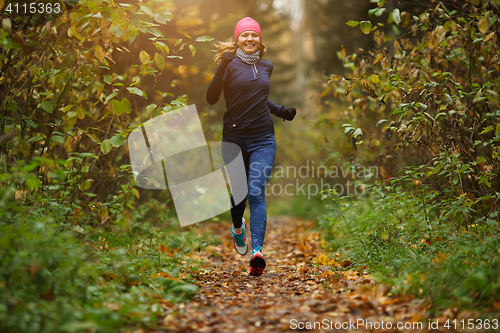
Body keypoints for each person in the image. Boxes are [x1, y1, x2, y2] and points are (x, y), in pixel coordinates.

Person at [206, 17, 296, 276]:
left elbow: (259, 99)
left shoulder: (266, 66)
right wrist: (222, 66)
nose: (249, 39)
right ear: (237, 40)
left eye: (253, 35)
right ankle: (237, 226)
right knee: (239, 193)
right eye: (244, 35)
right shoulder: (229, 64)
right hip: (234, 139)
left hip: (263, 138)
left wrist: (280, 111)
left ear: (260, 40)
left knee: (256, 191)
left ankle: (257, 251)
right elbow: (212, 98)